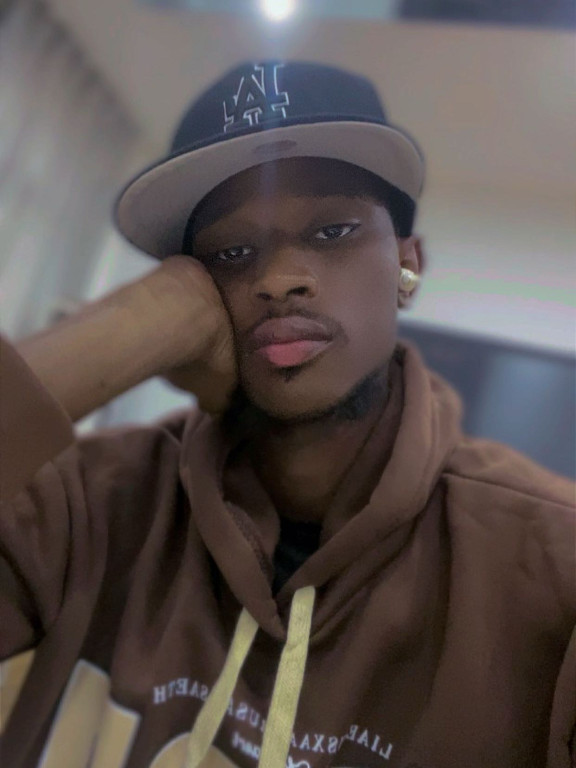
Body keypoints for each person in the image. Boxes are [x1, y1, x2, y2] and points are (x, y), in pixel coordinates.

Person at [0, 61, 574, 768]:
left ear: (409, 265)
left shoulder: (552, 566)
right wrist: (131, 324)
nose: (277, 281)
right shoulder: (85, 506)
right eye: (232, 253)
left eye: (333, 231)